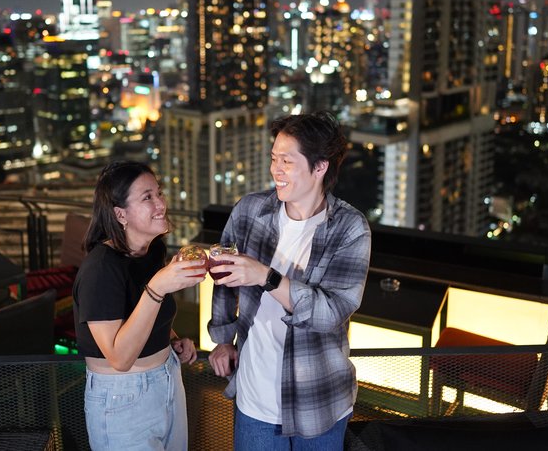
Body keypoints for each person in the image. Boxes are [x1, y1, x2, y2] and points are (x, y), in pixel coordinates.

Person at [208, 111, 371, 449]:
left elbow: (331, 313)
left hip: (320, 399)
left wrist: (265, 276)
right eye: (273, 158)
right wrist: (223, 338)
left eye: (287, 161)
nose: (275, 170)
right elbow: (223, 275)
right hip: (255, 399)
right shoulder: (250, 210)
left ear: (320, 166)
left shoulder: (350, 229)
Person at [73, 161, 206, 450]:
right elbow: (119, 358)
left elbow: (142, 315)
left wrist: (171, 340)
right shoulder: (101, 268)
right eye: (148, 197)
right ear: (120, 214)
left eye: (159, 193)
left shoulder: (151, 249)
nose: (161, 204)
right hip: (122, 397)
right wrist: (158, 286)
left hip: (168, 377)